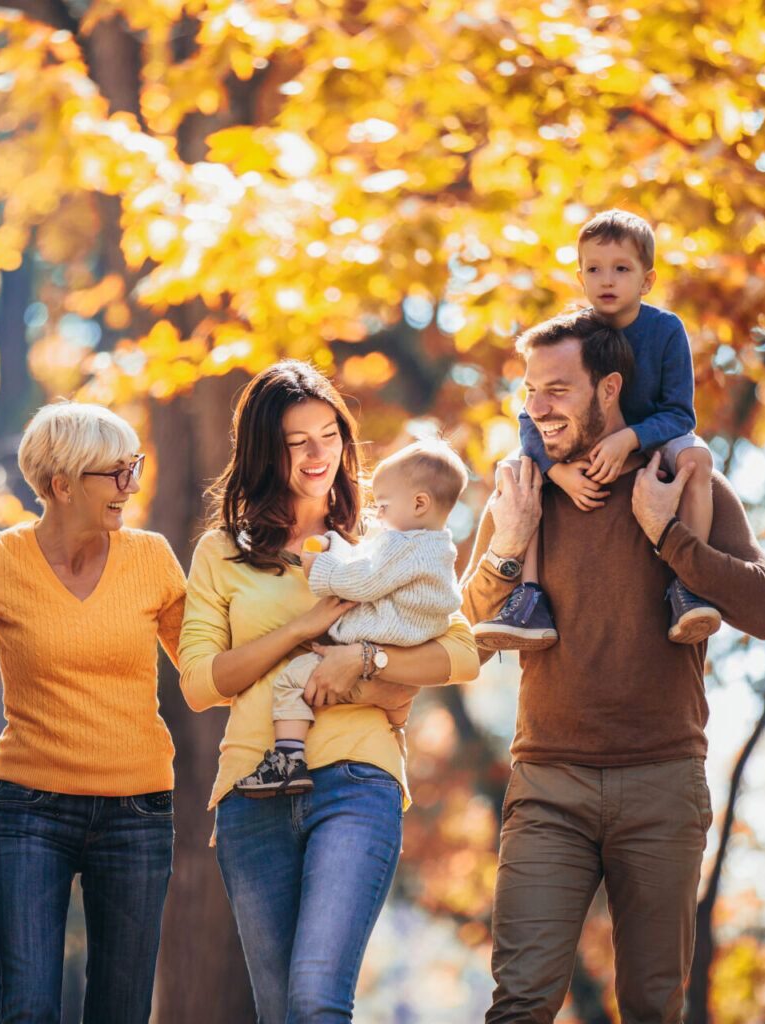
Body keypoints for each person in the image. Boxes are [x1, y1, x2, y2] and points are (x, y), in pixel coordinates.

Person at [460, 309, 765, 1023]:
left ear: (609, 388)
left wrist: (670, 536)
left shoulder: (683, 483)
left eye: (558, 390)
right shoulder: (524, 493)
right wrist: (509, 546)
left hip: (662, 783)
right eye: (530, 390)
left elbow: (764, 611)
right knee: (519, 1004)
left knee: (651, 1006)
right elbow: (463, 641)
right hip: (548, 785)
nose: (537, 408)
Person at [179, 360, 480, 1023]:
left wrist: (365, 658)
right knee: (280, 1011)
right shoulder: (220, 553)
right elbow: (201, 683)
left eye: (329, 435)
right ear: (265, 452)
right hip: (251, 797)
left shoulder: (386, 539)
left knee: (316, 1001)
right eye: (297, 443)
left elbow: (462, 653)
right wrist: (306, 626)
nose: (320, 455)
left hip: (354, 781)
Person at [0, 401, 186, 1023]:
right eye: (115, 473)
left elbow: (208, 672)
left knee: (121, 1012)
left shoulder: (151, 558)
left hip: (139, 810)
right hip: (31, 808)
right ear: (60, 484)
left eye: (134, 467)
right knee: (28, 1008)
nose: (132, 485)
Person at [474, 209, 718, 651]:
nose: (607, 280)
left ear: (646, 280)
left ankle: (688, 585)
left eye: (621, 269)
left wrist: (630, 438)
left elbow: (681, 414)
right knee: (518, 471)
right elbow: (532, 412)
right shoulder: (577, 333)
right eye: (594, 269)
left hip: (654, 442)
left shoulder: (665, 331)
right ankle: (528, 599)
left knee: (697, 458)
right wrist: (553, 469)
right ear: (580, 277)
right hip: (575, 447)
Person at [234, 438, 467, 797]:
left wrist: (319, 567)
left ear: (420, 503)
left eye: (385, 505)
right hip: (406, 645)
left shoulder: (401, 545)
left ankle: (288, 759)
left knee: (291, 682)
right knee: (392, 703)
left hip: (379, 636)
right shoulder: (437, 547)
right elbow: (367, 559)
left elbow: (363, 579)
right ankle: (394, 731)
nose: (378, 515)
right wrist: (336, 546)